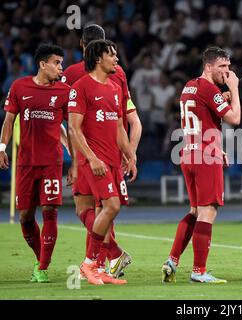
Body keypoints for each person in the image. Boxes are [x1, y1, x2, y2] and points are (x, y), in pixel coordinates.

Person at [63, 24, 142, 278]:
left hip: (101, 156)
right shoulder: (83, 82)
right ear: (98, 52)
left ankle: (102, 263)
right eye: (112, 54)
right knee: (107, 208)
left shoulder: (112, 82)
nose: (117, 60)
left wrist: (129, 154)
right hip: (91, 156)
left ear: (82, 45)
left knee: (94, 208)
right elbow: (74, 124)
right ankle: (104, 259)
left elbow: (120, 123)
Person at [161, 46, 240, 284]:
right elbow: (235, 119)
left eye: (228, 67)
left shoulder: (190, 85)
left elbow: (203, 115)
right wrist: (233, 90)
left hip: (189, 154)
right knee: (208, 212)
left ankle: (172, 261)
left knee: (195, 211)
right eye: (222, 67)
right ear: (208, 66)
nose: (227, 72)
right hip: (206, 157)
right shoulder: (209, 88)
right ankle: (199, 270)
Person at [0, 44, 73, 283]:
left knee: (50, 211)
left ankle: (43, 267)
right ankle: (39, 257)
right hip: (26, 164)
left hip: (52, 162)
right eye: (57, 63)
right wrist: (2, 147)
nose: (61, 68)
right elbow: (9, 120)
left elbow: (68, 129)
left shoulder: (64, 91)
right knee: (25, 217)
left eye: (62, 63)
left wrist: (74, 160)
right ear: (43, 64)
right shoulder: (20, 87)